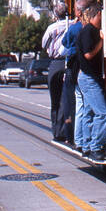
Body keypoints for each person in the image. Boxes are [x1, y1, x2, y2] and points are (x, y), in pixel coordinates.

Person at [74, 5, 106, 160]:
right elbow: (88, 55)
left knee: (88, 112)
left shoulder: (90, 30)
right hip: (88, 79)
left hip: (87, 77)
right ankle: (95, 147)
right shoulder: (88, 31)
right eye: (102, 15)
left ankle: (86, 145)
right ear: (98, 14)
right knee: (103, 113)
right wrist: (102, 42)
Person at [56, 0, 91, 145]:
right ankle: (83, 138)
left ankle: (72, 137)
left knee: (72, 103)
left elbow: (63, 45)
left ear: (78, 12)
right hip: (86, 67)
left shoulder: (75, 28)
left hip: (73, 67)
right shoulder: (90, 27)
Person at [41, 9, 71, 139]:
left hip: (55, 63)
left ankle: (56, 131)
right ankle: (65, 130)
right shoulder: (72, 25)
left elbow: (44, 44)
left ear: (55, 15)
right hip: (68, 62)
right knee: (66, 99)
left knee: (55, 99)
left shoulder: (51, 28)